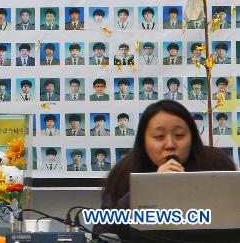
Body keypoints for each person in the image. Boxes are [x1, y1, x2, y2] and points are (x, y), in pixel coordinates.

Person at [96, 100, 237, 238]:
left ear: (193, 138)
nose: (170, 144)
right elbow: (103, 232)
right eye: (159, 137)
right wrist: (150, 189)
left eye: (179, 135)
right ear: (143, 140)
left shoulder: (216, 165)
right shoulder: (124, 171)